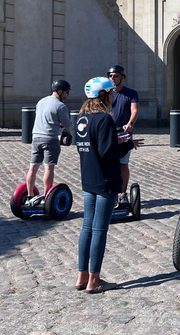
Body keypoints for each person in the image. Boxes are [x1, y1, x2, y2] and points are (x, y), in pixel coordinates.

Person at [75, 77, 142, 294]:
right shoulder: (104, 118)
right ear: (102, 95)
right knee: (99, 229)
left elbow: (92, 145)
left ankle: (81, 276)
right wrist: (128, 144)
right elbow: (107, 152)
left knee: (86, 228)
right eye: (111, 93)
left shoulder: (82, 118)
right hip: (106, 179)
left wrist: (116, 140)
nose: (114, 96)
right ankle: (94, 281)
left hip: (89, 177)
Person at [24, 80, 74, 204]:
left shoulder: (41, 101)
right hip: (50, 139)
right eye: (67, 92)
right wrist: (71, 127)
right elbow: (68, 125)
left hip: (36, 137)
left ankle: (30, 196)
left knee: (33, 167)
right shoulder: (60, 106)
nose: (68, 95)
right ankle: (47, 198)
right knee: (48, 168)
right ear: (60, 91)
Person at [107, 65, 139, 206]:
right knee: (108, 165)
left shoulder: (131, 93)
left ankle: (122, 193)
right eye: (110, 76)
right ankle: (110, 193)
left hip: (124, 133)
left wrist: (130, 123)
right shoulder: (105, 93)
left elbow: (135, 110)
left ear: (122, 78)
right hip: (108, 133)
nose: (112, 78)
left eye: (115, 76)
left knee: (123, 165)